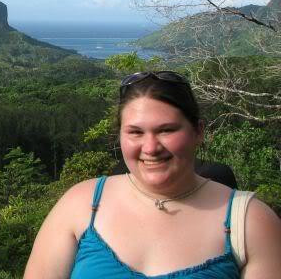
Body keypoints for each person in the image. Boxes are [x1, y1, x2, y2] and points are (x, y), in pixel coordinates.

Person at [24, 71, 281, 278]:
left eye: (166, 130)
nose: (150, 148)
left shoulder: (250, 223)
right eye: (135, 132)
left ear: (198, 132)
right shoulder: (81, 204)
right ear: (120, 136)